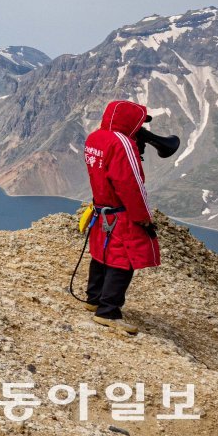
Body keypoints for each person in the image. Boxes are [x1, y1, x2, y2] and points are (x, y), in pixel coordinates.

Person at [82, 99, 161, 335]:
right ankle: (108, 312)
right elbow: (132, 185)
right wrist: (144, 216)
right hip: (121, 213)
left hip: (101, 208)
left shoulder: (95, 137)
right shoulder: (123, 143)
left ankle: (93, 298)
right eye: (138, 122)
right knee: (123, 260)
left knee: (100, 253)